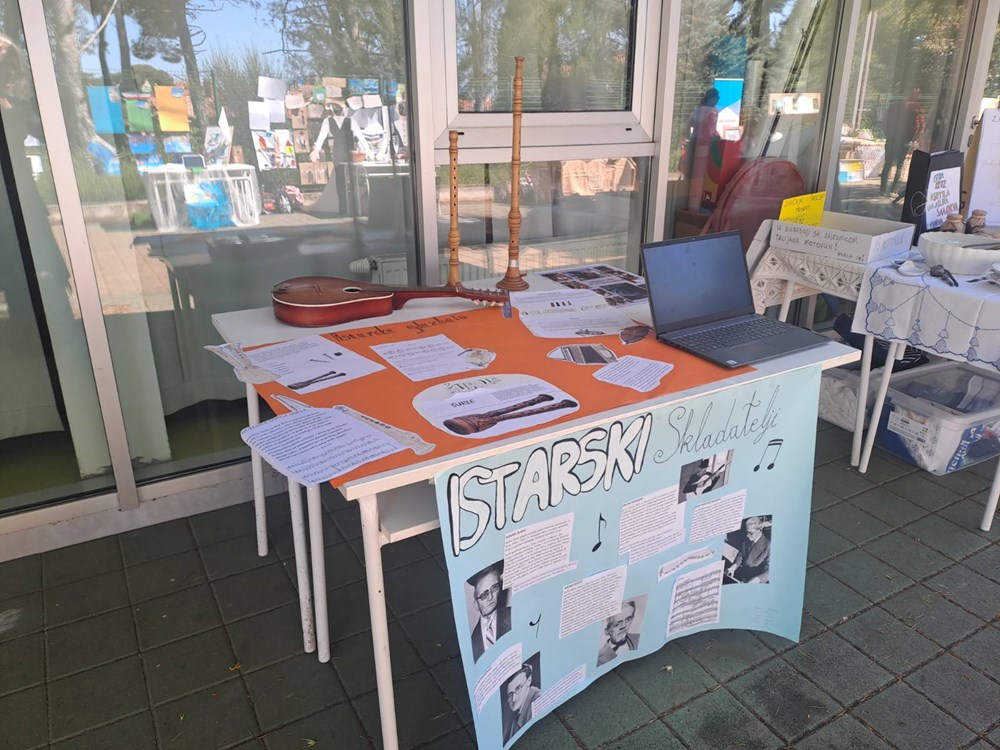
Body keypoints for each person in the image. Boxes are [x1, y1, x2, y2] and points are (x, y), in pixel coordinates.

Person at [881, 87, 926, 195]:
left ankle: (883, 189)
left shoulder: (895, 106)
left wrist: (888, 134)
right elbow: (921, 126)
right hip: (905, 139)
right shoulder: (917, 108)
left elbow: (884, 121)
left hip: (892, 138)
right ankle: (893, 190)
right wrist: (914, 139)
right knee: (900, 165)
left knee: (888, 164)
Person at [685, 87, 720, 211]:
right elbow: (710, 129)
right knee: (702, 173)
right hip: (706, 143)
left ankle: (693, 202)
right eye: (716, 97)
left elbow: (689, 125)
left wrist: (688, 137)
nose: (718, 99)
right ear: (711, 98)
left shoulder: (698, 110)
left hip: (697, 141)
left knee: (695, 172)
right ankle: (697, 203)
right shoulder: (712, 111)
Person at [469, 563, 511, 661]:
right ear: (476, 604)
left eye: (494, 588)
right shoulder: (472, 642)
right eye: (484, 595)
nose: (490, 597)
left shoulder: (512, 615)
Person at [501, 663, 541, 744]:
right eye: (510, 694)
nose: (513, 699)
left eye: (518, 688)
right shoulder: (509, 715)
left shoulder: (537, 699)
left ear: (529, 680)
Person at [727, 516, 771, 583]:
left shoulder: (768, 545)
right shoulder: (748, 539)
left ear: (759, 530)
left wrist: (758, 579)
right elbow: (741, 555)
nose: (747, 535)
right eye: (747, 532)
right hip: (743, 575)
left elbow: (769, 570)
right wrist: (734, 566)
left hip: (755, 579)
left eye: (751, 533)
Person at [597, 600, 641, 666]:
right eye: (617, 624)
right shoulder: (599, 658)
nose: (624, 626)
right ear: (607, 631)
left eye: (628, 619)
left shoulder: (639, 638)